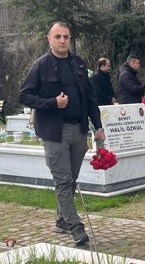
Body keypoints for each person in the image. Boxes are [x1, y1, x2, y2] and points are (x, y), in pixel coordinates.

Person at [19, 21, 105, 245]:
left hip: (79, 129)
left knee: (71, 178)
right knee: (64, 180)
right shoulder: (41, 66)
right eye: (57, 37)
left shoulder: (78, 64)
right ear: (49, 38)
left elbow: (90, 98)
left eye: (66, 37)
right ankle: (76, 226)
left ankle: (61, 220)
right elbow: (25, 96)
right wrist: (51, 103)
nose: (62, 41)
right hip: (55, 132)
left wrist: (99, 127)